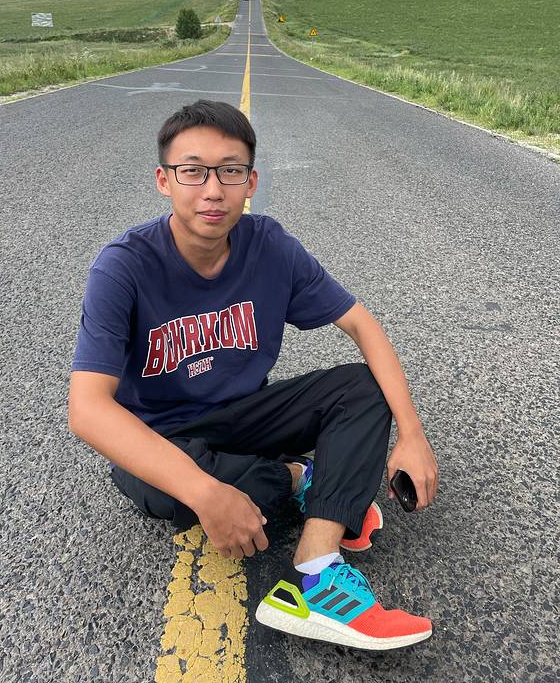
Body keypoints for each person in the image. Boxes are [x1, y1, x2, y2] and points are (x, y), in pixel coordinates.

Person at [68, 99, 439, 651]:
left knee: (362, 388)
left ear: (251, 182)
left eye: (230, 171)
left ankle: (315, 572)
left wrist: (412, 434)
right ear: (164, 181)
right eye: (192, 171)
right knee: (175, 492)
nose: (212, 190)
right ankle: (299, 479)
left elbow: (362, 325)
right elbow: (87, 409)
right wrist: (205, 492)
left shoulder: (270, 247)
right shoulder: (123, 266)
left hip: (245, 416)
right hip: (163, 434)